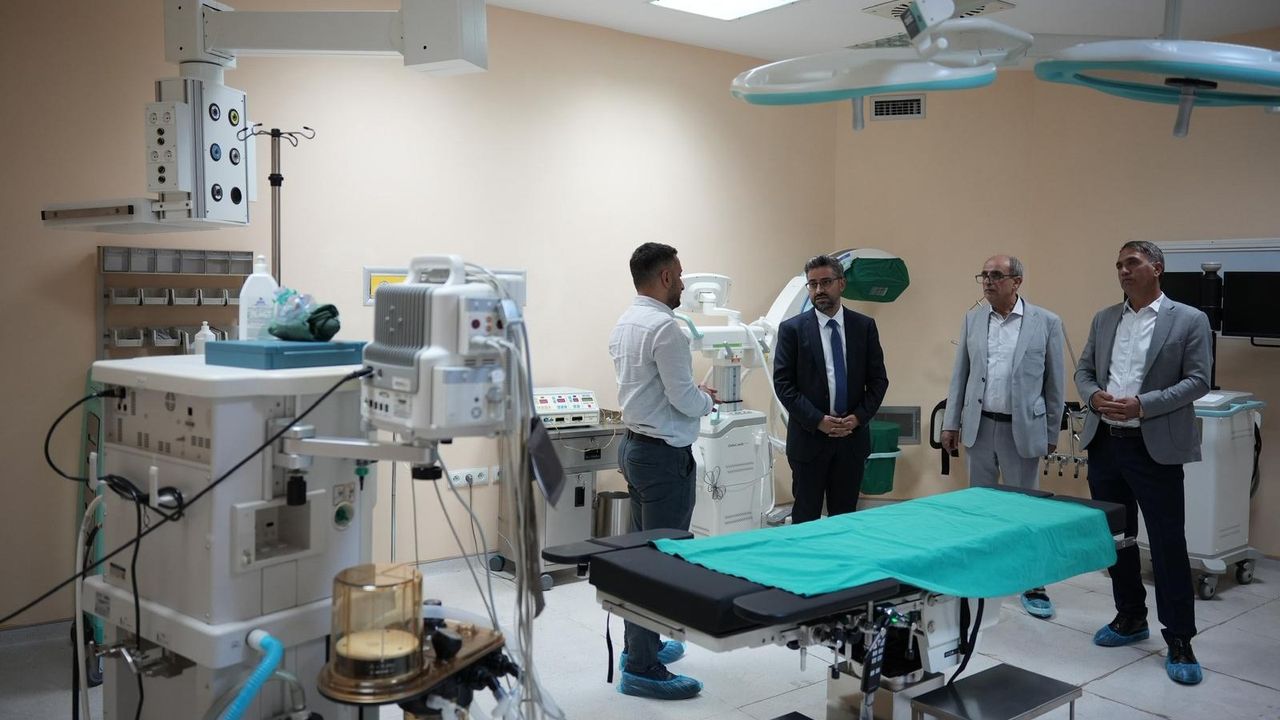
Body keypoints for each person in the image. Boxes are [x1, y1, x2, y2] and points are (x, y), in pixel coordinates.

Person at [1075, 240, 1212, 685]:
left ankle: (1180, 638)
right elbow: (1083, 371)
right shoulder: (1104, 318)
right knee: (1118, 538)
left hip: (1154, 448)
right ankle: (1130, 616)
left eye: (1132, 263)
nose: (1123, 270)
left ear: (1157, 268)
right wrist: (1093, 396)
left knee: (1168, 543)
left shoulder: (1188, 319)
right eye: (1118, 264)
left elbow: (1198, 380)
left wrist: (1144, 405)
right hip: (1105, 444)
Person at [608, 242, 717, 700]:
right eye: (680, 275)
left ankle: (643, 643)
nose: (684, 284)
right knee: (659, 563)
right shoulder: (666, 329)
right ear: (666, 277)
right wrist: (708, 400)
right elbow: (684, 399)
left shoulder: (626, 322)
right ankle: (641, 666)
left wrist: (692, 395)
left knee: (642, 556)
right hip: (662, 457)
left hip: (634, 447)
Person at [941, 255, 1066, 619]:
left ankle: (1033, 583)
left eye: (996, 275)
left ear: (1017, 281)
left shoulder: (1046, 322)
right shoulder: (973, 319)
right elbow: (960, 375)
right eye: (984, 275)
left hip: (1022, 429)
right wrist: (950, 423)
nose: (988, 281)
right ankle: (984, 572)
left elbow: (1055, 383)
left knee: (1025, 509)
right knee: (980, 507)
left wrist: (1051, 431)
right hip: (980, 426)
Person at [773, 254, 888, 524]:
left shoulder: (864, 327)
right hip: (809, 441)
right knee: (805, 520)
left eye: (825, 282)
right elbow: (783, 384)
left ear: (841, 283)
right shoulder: (792, 330)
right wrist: (818, 420)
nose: (819, 290)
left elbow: (878, 380)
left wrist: (858, 417)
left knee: (844, 520)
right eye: (812, 284)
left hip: (851, 440)